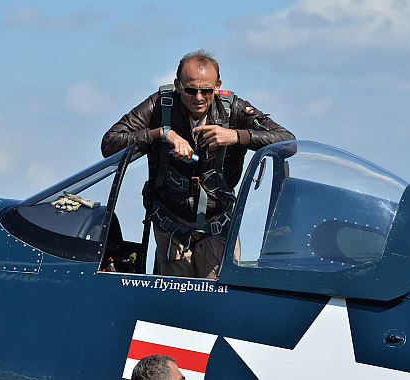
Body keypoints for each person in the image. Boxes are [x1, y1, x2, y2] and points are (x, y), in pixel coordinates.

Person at [101, 50, 295, 278]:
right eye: (191, 90)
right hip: (171, 226)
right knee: (174, 304)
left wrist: (235, 136)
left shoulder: (233, 109)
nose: (199, 97)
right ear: (178, 85)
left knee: (221, 301)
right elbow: (110, 142)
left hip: (218, 225)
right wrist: (162, 134)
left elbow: (288, 141)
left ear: (218, 85)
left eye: (206, 90)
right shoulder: (159, 106)